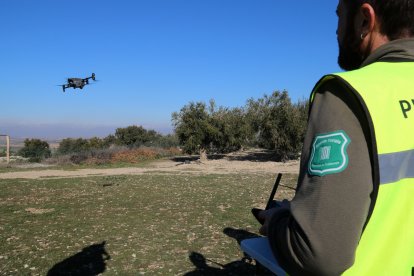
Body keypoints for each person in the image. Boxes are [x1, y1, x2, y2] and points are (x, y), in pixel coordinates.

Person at [258, 0, 414, 275]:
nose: (336, 31)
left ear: (365, 20)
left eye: (339, 16)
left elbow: (317, 255)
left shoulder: (348, 95)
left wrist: (277, 220)